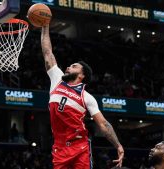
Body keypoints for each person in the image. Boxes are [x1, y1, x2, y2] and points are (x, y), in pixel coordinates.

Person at [41, 25, 124, 169]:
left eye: (73, 66)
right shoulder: (57, 79)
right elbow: (48, 53)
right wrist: (45, 26)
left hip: (80, 146)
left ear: (82, 75)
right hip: (59, 147)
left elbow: (103, 124)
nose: (68, 67)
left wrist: (118, 145)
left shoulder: (87, 97)